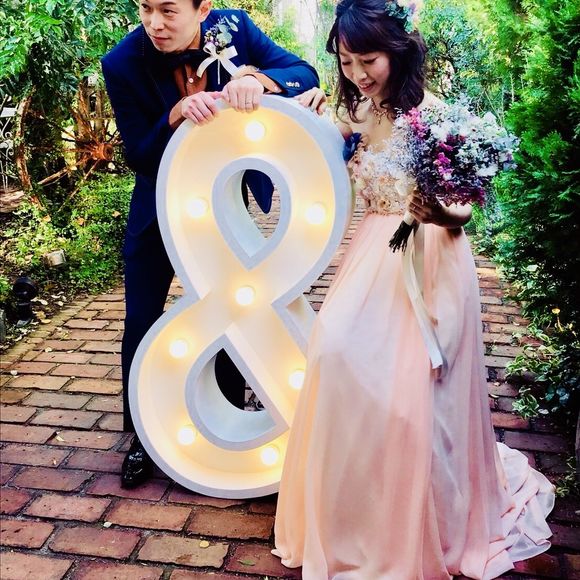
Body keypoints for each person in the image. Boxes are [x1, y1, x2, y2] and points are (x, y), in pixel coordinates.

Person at [273, 0, 555, 577]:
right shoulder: (358, 107)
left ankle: (425, 519)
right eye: (346, 61)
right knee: (334, 351)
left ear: (398, 51)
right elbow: (317, 137)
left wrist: (439, 214)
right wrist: (305, 106)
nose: (357, 73)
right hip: (374, 253)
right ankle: (356, 511)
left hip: (429, 259)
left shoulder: (437, 117)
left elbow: (463, 210)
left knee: (415, 396)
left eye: (367, 59)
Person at [101, 0, 319, 489]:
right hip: (158, 211)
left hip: (223, 208)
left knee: (233, 308)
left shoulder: (235, 26)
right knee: (141, 318)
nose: (154, 23)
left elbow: (303, 73)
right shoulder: (120, 62)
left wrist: (257, 80)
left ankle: (227, 421)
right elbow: (139, 155)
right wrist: (174, 114)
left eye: (168, 10)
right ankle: (142, 435)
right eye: (144, 8)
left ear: (203, 9)